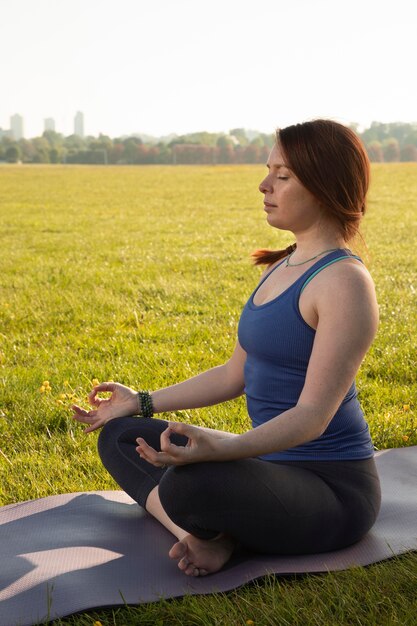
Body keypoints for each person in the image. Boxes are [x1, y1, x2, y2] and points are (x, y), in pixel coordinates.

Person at [72, 119, 381, 578]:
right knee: (122, 436)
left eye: (283, 175)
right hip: (267, 472)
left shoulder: (344, 283)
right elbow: (235, 373)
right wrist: (140, 401)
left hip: (332, 491)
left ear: (323, 184)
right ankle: (205, 539)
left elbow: (314, 416)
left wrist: (224, 448)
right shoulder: (279, 269)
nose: (264, 185)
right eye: (268, 171)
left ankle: (216, 531)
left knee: (189, 483)